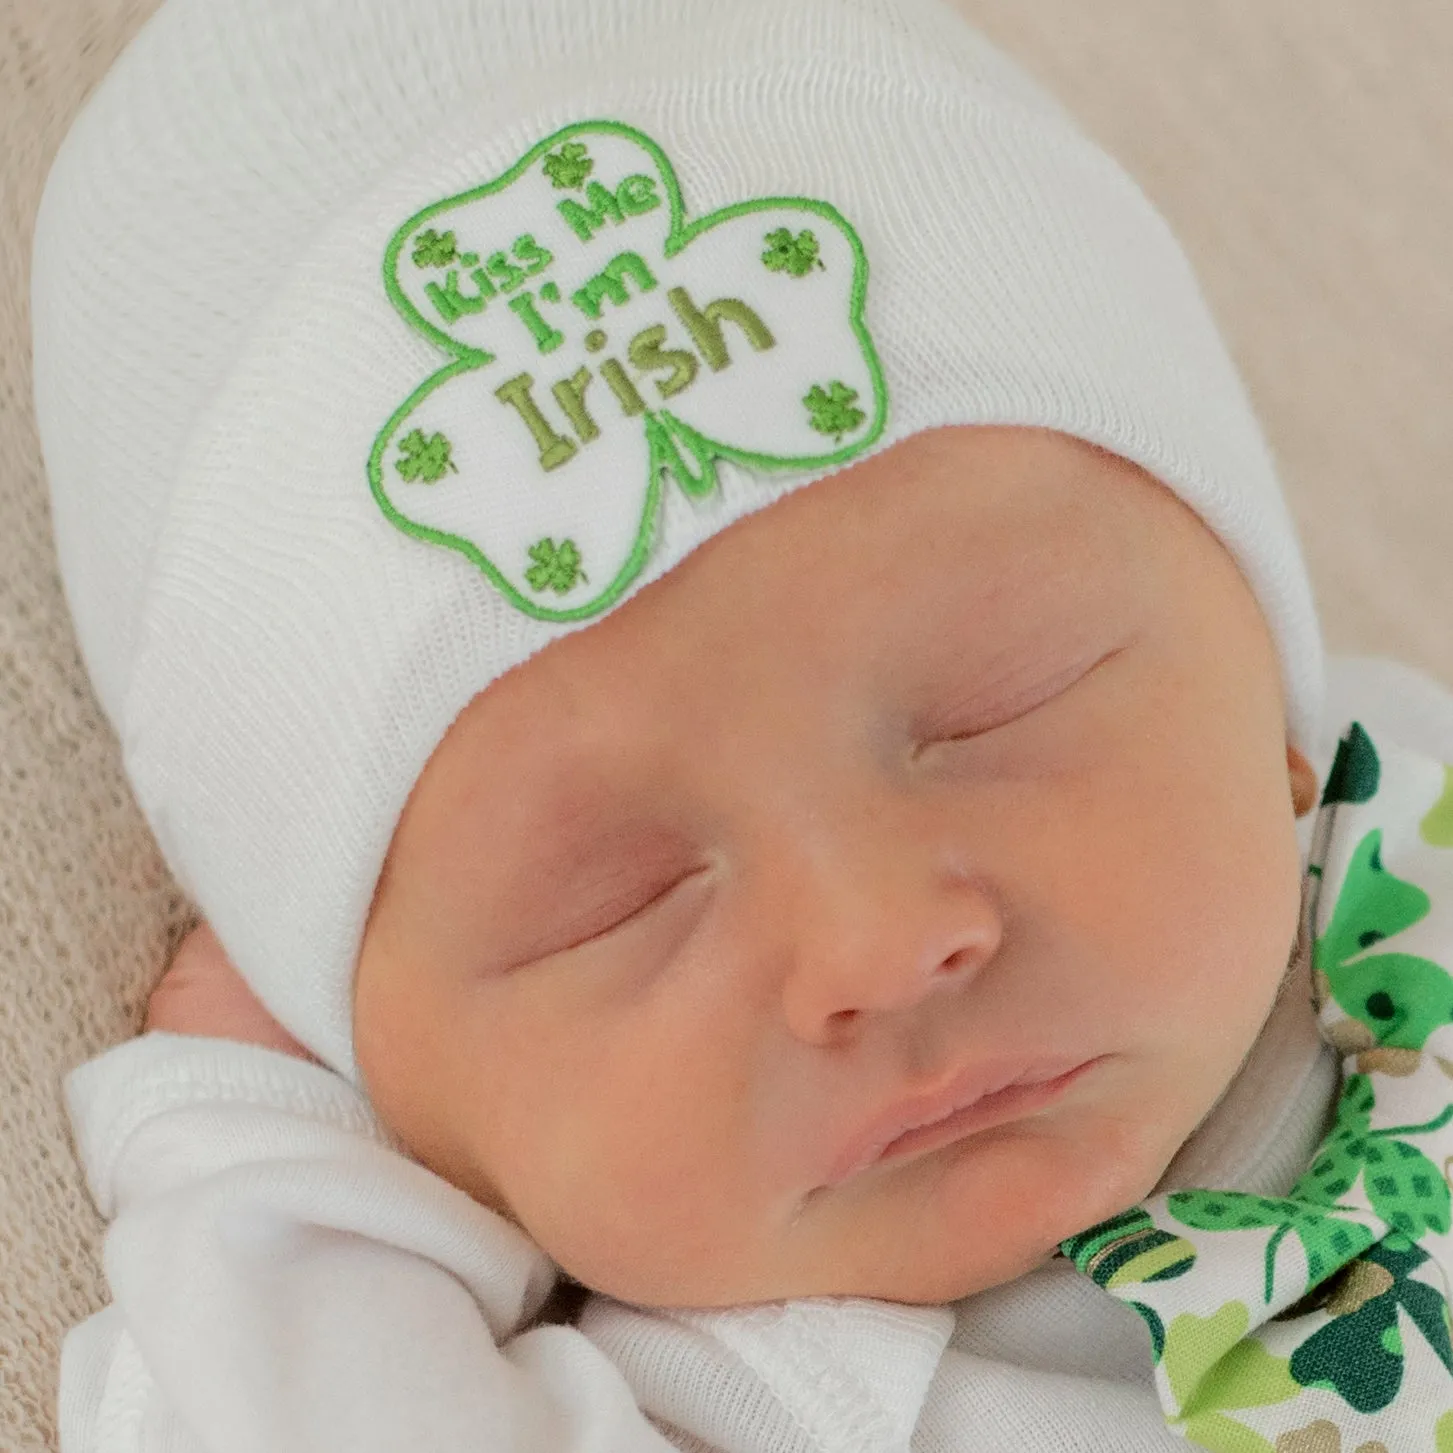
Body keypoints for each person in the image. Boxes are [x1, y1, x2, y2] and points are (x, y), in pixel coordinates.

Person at [32, 0, 1453, 1447]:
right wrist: (274, 1177)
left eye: (999, 703)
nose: (883, 943)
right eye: (620, 902)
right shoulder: (715, 1410)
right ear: (419, 1113)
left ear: (1266, 683)